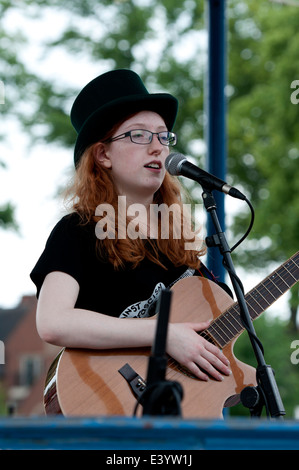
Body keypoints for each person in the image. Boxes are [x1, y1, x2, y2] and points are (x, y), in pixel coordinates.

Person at [30, 69, 231, 384]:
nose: (158, 148)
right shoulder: (78, 230)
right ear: (103, 154)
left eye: (164, 136)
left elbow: (214, 327)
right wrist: (162, 334)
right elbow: (53, 322)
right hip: (106, 402)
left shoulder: (176, 242)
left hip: (181, 413)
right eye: (139, 135)